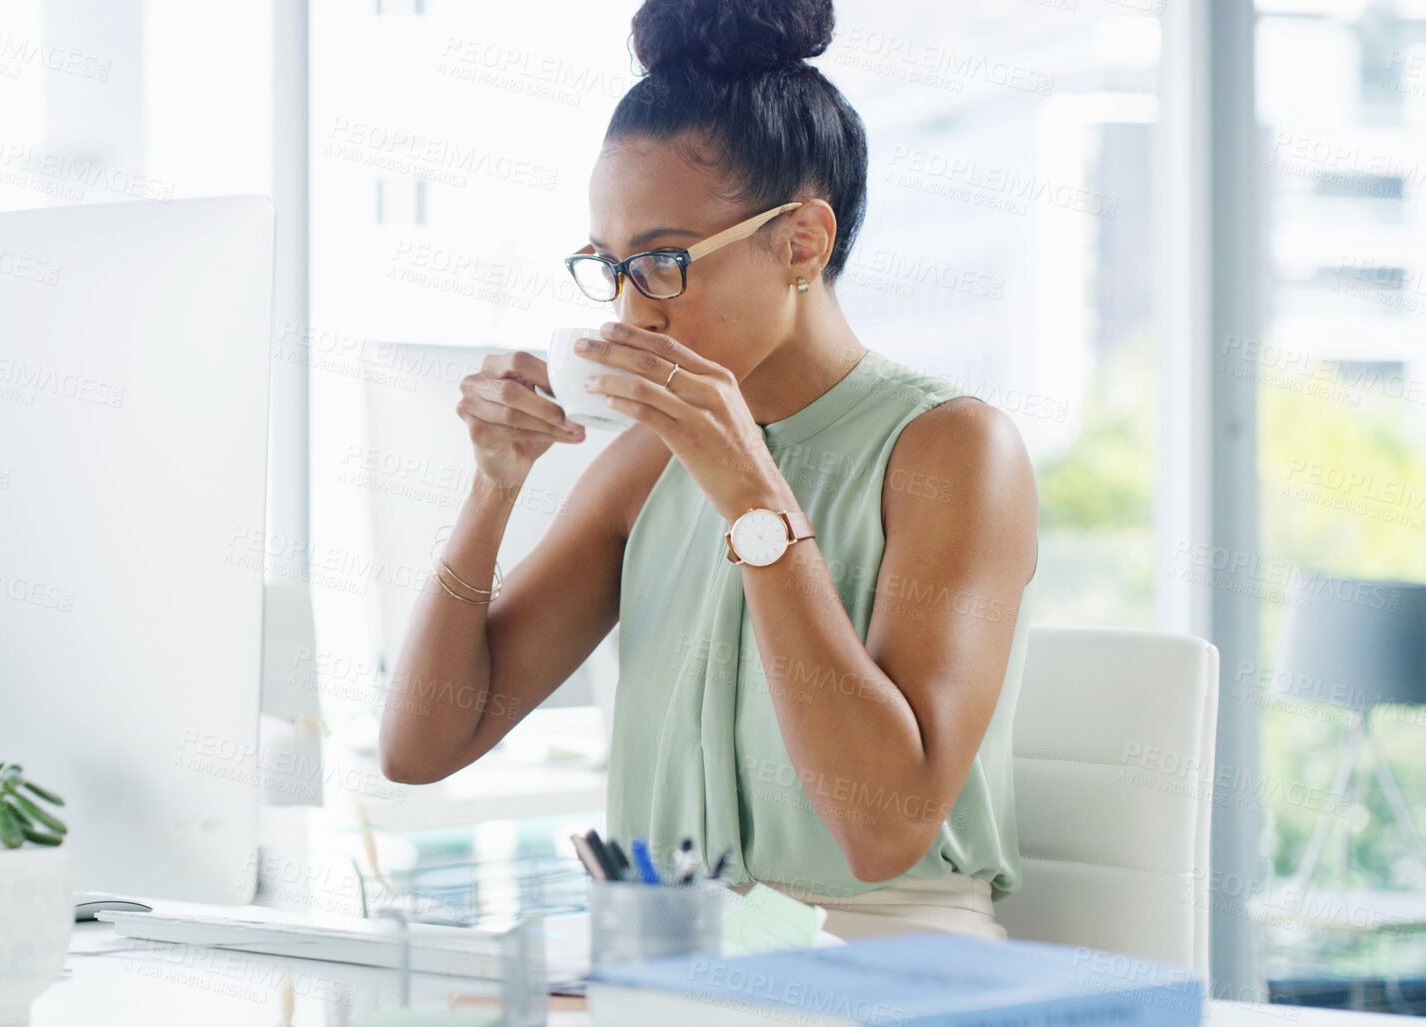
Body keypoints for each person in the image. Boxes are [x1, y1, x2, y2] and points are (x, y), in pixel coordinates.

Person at [377, 0, 1038, 941]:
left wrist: (753, 498)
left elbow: (881, 830)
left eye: (660, 262)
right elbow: (421, 746)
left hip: (885, 955)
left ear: (800, 242)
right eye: (607, 268)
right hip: (668, 950)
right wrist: (494, 487)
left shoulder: (953, 449)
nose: (629, 312)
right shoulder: (643, 461)